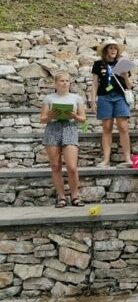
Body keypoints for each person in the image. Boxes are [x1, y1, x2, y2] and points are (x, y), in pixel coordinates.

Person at [41, 72, 87, 208]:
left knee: (72, 167)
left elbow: (83, 119)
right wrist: (50, 116)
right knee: (55, 165)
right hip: (53, 128)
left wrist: (74, 116)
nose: (65, 83)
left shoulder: (76, 98)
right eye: (61, 80)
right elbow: (42, 119)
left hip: (70, 128)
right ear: (56, 83)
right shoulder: (48, 98)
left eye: (67, 80)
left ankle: (75, 196)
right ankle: (61, 197)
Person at [89, 40, 133, 168]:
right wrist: (93, 101)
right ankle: (106, 160)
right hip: (104, 97)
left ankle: (128, 159)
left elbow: (130, 86)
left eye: (115, 48)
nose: (113, 50)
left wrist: (125, 76)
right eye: (111, 48)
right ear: (105, 50)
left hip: (120, 96)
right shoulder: (98, 64)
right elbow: (95, 84)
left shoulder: (122, 63)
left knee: (123, 127)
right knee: (107, 128)